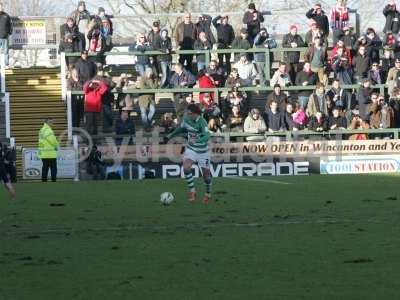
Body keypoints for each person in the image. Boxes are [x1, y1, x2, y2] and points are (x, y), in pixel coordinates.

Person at [165, 104, 212, 204]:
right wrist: (171, 134)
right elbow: (181, 128)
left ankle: (208, 193)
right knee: (186, 168)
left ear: (195, 113)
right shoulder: (186, 119)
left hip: (203, 152)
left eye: (190, 113)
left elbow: (207, 135)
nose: (188, 115)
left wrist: (198, 140)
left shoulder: (202, 122)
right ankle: (192, 191)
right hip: (191, 149)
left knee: (207, 177)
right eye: (188, 113)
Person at [38, 118, 59, 183]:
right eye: (50, 122)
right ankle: (53, 181)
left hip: (43, 153)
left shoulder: (41, 130)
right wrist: (56, 145)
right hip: (50, 153)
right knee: (53, 169)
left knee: (45, 168)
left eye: (52, 122)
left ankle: (44, 182)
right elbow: (52, 140)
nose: (52, 123)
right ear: (47, 123)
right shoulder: (48, 130)